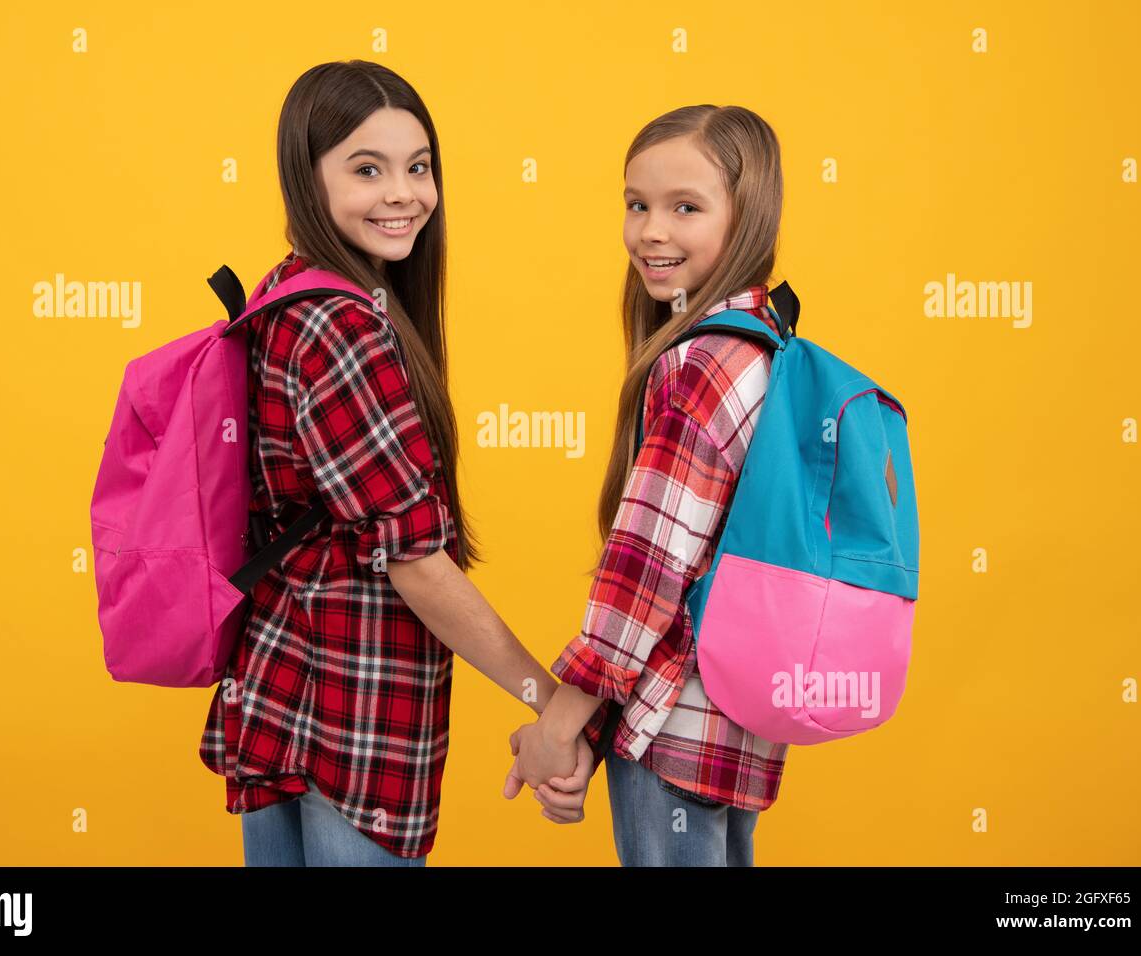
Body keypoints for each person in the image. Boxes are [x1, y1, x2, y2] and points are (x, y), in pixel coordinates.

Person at [199, 60, 600, 866]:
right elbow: (415, 563)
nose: (403, 193)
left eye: (419, 167)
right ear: (306, 178)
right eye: (367, 169)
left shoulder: (285, 293)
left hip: (279, 690)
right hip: (355, 713)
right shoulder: (344, 328)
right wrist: (552, 704)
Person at [504, 105, 791, 866]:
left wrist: (560, 725)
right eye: (637, 205)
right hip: (732, 726)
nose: (651, 231)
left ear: (748, 214)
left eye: (684, 208)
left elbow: (646, 572)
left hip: (674, 731)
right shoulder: (765, 345)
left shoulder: (703, 363)